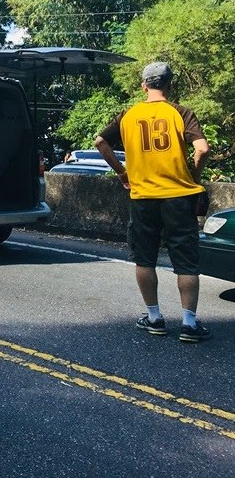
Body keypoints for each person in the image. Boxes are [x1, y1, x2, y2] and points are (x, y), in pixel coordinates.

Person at [94, 62, 211, 343]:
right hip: (179, 196)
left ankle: (155, 318)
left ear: (144, 85)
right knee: (185, 261)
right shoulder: (181, 112)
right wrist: (193, 174)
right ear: (169, 86)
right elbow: (202, 149)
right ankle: (188, 324)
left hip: (143, 196)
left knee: (144, 258)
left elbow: (101, 142)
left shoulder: (129, 115)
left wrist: (122, 172)